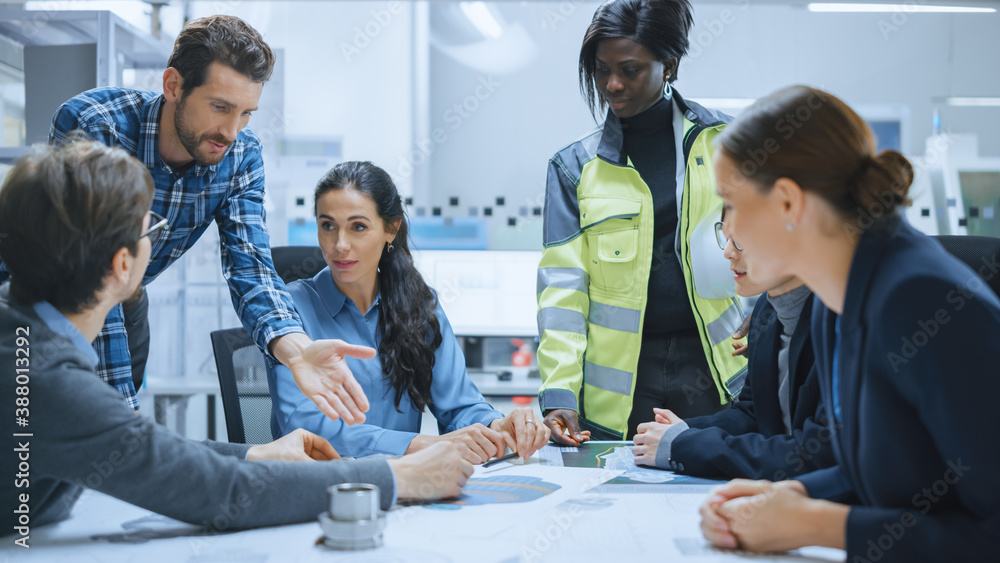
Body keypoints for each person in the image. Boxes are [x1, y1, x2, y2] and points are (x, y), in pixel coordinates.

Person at [0, 140, 473, 535]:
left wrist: (252, 452)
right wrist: (395, 477)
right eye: (150, 228)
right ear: (123, 264)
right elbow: (214, 490)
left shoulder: (24, 342)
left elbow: (140, 448)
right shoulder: (44, 377)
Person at [0, 15, 371, 426]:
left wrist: (296, 347)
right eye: (220, 107)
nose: (231, 131)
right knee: (48, 430)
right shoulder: (96, 123)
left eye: (246, 113)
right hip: (39, 295)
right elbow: (90, 270)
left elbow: (252, 269)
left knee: (107, 440)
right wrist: (122, 432)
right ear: (173, 85)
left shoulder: (240, 155)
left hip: (127, 295)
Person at [697, 85, 1000, 560]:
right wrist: (793, 494)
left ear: (788, 203)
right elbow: (874, 466)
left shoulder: (920, 298)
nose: (728, 230)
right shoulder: (838, 295)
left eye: (731, 204)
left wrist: (820, 525)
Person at [537, 0, 748, 444]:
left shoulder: (728, 145)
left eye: (629, 70)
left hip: (716, 375)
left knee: (710, 499)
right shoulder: (574, 168)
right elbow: (562, 291)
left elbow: (780, 243)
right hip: (618, 392)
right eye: (600, 70)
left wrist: (766, 313)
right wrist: (559, 393)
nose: (612, 84)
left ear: (668, 66)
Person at [269, 161, 551, 463]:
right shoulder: (288, 311)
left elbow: (458, 407)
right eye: (328, 226)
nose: (340, 245)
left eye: (358, 227)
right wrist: (419, 445)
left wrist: (498, 425)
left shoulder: (418, 303)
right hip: (319, 489)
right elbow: (305, 426)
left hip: (407, 491)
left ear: (391, 229)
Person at [631, 208, 836, 479]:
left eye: (740, 239)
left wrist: (684, 445)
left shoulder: (837, 322)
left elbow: (815, 455)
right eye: (725, 237)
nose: (727, 252)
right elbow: (753, 415)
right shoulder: (766, 311)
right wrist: (682, 431)